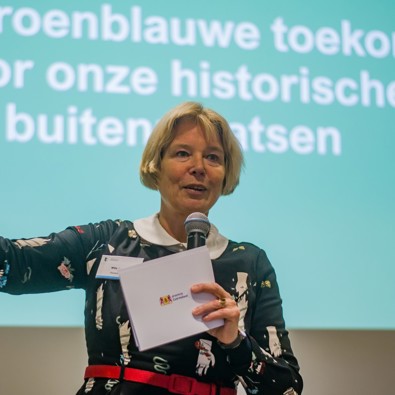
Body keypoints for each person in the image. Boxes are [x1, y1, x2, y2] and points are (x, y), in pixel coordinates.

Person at [0, 102, 303, 395]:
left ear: (225, 174)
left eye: (213, 157)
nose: (198, 167)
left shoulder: (249, 263)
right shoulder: (107, 242)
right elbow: (12, 264)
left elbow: (286, 386)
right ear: (155, 165)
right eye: (182, 153)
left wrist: (236, 342)